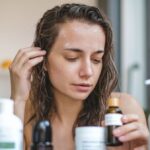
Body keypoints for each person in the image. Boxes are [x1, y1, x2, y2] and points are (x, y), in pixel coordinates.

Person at [9, 3, 149, 150]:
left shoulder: (121, 111)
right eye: (72, 57)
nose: (88, 72)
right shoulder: (24, 111)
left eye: (96, 60)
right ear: (43, 60)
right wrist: (18, 98)